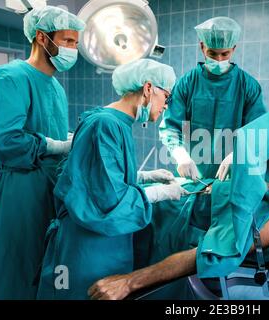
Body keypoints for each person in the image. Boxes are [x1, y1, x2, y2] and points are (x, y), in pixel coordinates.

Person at [36, 59, 188, 300]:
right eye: (166, 98)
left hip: (105, 243)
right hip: (88, 247)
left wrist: (144, 176)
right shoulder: (104, 124)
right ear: (148, 88)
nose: (166, 107)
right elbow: (106, 197)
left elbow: (95, 174)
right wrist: (160, 192)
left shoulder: (118, 123)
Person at [87, 173, 269, 300]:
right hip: (181, 193)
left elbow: (203, 257)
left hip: (167, 218)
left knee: (95, 218)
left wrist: (128, 283)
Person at [0, 6, 85, 299]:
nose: (73, 49)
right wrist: (55, 145)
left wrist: (67, 140)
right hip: (17, 194)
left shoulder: (56, 87)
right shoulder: (9, 77)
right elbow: (3, 140)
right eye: (68, 41)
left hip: (48, 191)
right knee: (12, 273)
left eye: (76, 44)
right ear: (43, 38)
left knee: (44, 271)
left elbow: (50, 130)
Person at [159, 17, 268, 181]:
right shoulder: (187, 83)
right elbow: (171, 127)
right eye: (212, 53)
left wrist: (239, 155)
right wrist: (180, 155)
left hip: (233, 176)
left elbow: (257, 130)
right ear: (202, 47)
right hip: (194, 175)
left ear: (234, 49)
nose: (219, 60)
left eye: (225, 54)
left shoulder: (248, 86)